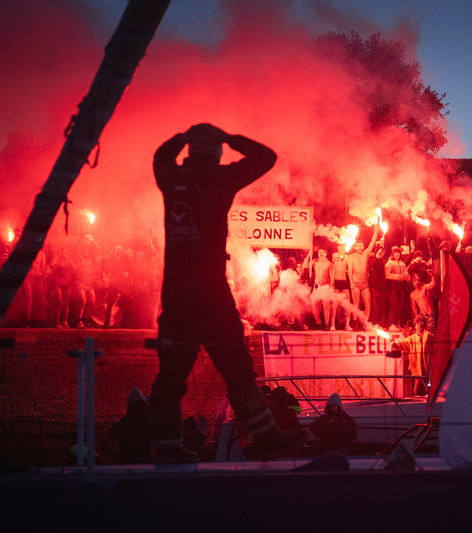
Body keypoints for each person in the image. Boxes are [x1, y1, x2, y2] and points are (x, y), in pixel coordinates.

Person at [150, 123, 306, 463]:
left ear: (191, 151)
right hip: (212, 295)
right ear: (217, 152)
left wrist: (180, 137)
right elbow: (265, 157)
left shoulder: (171, 182)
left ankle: (166, 448)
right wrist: (229, 137)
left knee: (171, 376)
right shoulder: (220, 181)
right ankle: (265, 437)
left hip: (176, 296)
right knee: (238, 370)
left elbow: (160, 157)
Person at [346, 223, 380, 329]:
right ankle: (355, 323)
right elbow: (350, 271)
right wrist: (351, 284)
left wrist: (376, 231)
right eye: (358, 245)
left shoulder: (366, 254)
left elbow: (372, 242)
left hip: (365, 283)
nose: (360, 247)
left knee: (368, 304)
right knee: (356, 305)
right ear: (355, 247)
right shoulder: (351, 256)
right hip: (355, 283)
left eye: (361, 245)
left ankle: (364, 323)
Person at [108, 387, 153, 464]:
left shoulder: (123, 423)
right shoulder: (148, 421)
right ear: (142, 404)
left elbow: (111, 434)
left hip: (127, 463)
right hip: (145, 463)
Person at [391, 317, 434, 396]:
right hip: (417, 367)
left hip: (427, 366)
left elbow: (436, 349)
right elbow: (402, 344)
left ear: (424, 325)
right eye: (417, 324)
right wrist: (395, 344)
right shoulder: (411, 339)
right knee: (417, 385)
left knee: (429, 386)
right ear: (415, 325)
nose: (419, 325)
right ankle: (417, 401)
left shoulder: (430, 336)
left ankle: (430, 401)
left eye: (421, 323)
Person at [384, 246, 409, 331]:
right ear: (392, 254)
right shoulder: (389, 263)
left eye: (398, 252)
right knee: (394, 305)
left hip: (401, 286)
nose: (397, 254)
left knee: (401, 305)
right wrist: (398, 276)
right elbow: (387, 275)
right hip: (392, 286)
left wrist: (406, 276)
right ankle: (391, 324)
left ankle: (397, 323)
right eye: (395, 252)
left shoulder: (403, 263)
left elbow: (405, 273)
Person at [309, 248, 333, 330]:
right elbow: (306, 266)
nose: (321, 253)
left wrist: (331, 287)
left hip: (325, 286)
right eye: (319, 252)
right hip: (316, 286)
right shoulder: (315, 262)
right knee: (314, 305)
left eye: (323, 252)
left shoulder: (329, 264)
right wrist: (309, 255)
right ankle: (318, 324)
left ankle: (326, 325)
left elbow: (332, 276)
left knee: (326, 306)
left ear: (326, 253)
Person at [330, 243, 351, 330]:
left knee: (347, 304)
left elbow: (349, 268)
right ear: (338, 247)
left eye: (343, 246)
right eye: (340, 246)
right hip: (336, 281)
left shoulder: (347, 257)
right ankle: (332, 325)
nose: (341, 248)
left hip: (344, 282)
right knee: (334, 304)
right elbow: (337, 260)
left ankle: (347, 325)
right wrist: (332, 283)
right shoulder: (335, 255)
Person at [367, 245, 387, 328]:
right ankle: (373, 322)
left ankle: (378, 323)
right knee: (375, 305)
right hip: (374, 286)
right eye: (379, 251)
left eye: (382, 251)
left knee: (382, 305)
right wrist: (377, 257)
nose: (381, 253)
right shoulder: (372, 260)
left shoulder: (384, 261)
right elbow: (371, 266)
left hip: (382, 287)